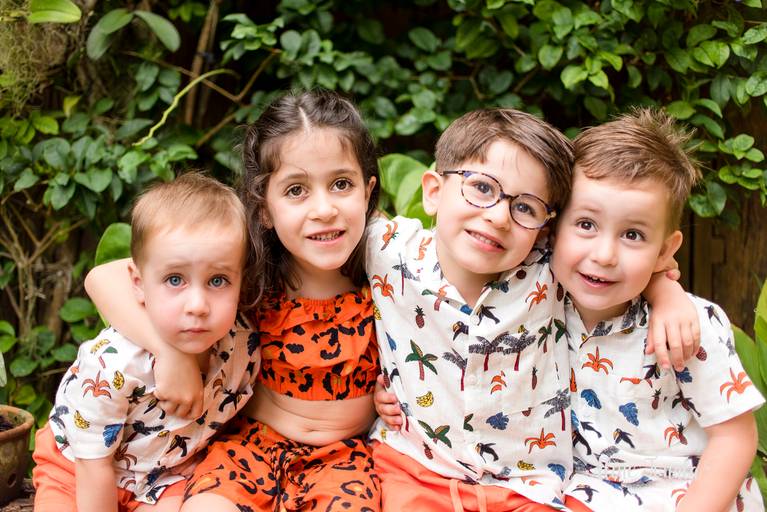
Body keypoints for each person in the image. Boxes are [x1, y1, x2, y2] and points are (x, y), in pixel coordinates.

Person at [365, 108, 697, 511]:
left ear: (545, 229)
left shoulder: (549, 270)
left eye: (525, 207)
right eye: (482, 188)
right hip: (414, 465)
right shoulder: (387, 251)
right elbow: (327, 221)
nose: (498, 217)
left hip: (524, 485)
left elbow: (623, 261)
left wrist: (666, 293)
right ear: (433, 191)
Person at [83, 90, 382, 511]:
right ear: (263, 208)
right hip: (247, 447)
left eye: (341, 184)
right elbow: (103, 278)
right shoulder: (245, 273)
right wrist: (169, 353)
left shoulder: (388, 273)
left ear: (367, 192)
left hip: (345, 460)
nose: (324, 209)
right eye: (296, 190)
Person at [554, 109, 764, 511]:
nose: (604, 255)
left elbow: (735, 437)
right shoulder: (534, 299)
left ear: (665, 250)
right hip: (583, 494)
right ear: (552, 225)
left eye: (632, 234)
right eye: (585, 224)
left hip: (684, 492)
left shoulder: (689, 324)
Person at [31, 172, 260, 512]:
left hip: (162, 475)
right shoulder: (112, 364)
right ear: (138, 284)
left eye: (218, 280)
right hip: (76, 469)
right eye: (175, 280)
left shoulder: (242, 346)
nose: (197, 305)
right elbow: (93, 467)